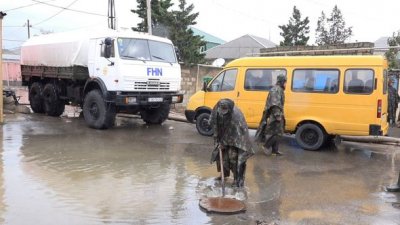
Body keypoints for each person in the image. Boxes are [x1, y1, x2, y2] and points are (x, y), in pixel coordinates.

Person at [209, 98, 254, 188]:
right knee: (221, 156)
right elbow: (213, 122)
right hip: (222, 134)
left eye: (225, 112)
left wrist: (224, 143)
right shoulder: (216, 109)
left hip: (235, 139)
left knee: (233, 157)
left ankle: (237, 179)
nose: (222, 114)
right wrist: (218, 139)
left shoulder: (236, 118)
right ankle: (224, 174)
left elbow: (235, 136)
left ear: (229, 110)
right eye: (221, 111)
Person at [255, 74, 287, 156]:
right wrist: (277, 115)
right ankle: (266, 146)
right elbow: (274, 103)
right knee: (277, 133)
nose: (286, 84)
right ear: (282, 81)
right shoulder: (276, 90)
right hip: (274, 114)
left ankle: (274, 151)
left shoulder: (279, 89)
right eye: (285, 82)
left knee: (277, 132)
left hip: (277, 113)